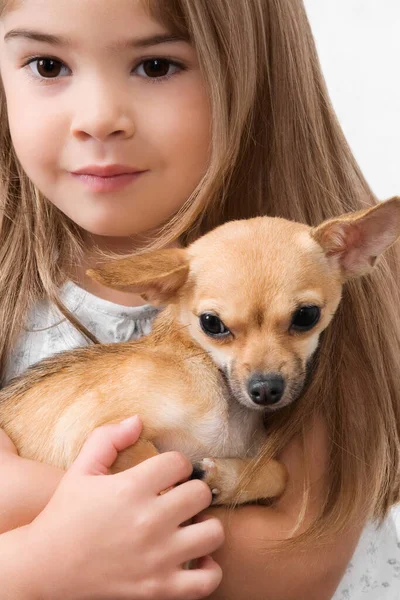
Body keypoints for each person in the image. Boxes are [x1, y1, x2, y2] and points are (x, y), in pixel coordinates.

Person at [0, 0, 399, 598]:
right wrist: (29, 568)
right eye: (48, 65)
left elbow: (292, 563)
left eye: (156, 65)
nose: (99, 118)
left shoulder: (318, 277)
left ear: (259, 79)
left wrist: (39, 532)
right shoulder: (12, 280)